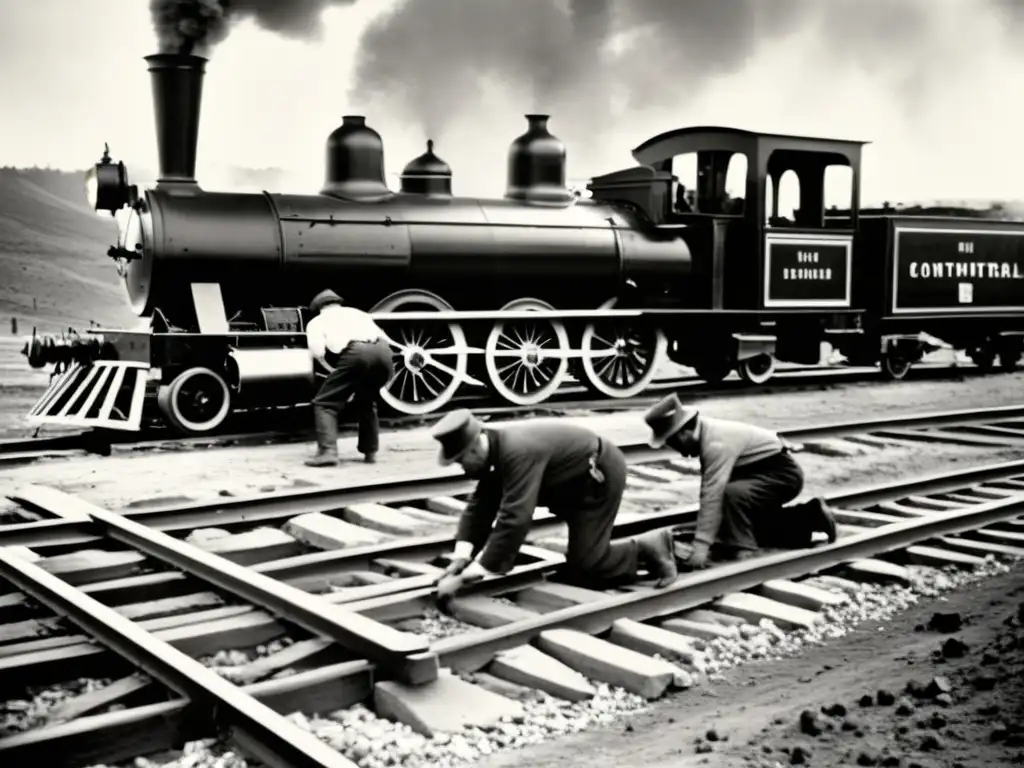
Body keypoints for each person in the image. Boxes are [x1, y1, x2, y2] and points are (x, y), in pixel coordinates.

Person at [428, 410, 678, 599]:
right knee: (578, 567)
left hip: (597, 478)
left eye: (461, 462)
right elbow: (480, 505)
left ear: (473, 450)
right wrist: (461, 557)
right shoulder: (493, 447)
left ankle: (649, 547)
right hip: (571, 484)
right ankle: (626, 552)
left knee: (587, 567)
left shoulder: (517, 451)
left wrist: (474, 573)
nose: (462, 469)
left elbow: (515, 517)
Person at [644, 393, 837, 569]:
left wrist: (701, 546)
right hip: (761, 473)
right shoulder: (706, 432)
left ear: (684, 433)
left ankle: (744, 550)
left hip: (781, 475)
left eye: (673, 443)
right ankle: (811, 515)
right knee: (747, 524)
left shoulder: (715, 443)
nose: (678, 451)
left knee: (732, 495)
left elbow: (712, 494)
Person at [303, 289, 395, 467]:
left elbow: (318, 352)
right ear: (338, 302)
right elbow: (385, 339)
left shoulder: (317, 322)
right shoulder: (358, 314)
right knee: (367, 400)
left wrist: (332, 370)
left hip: (357, 354)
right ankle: (370, 452)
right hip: (384, 353)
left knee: (324, 403)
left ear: (318, 307)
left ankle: (328, 452)